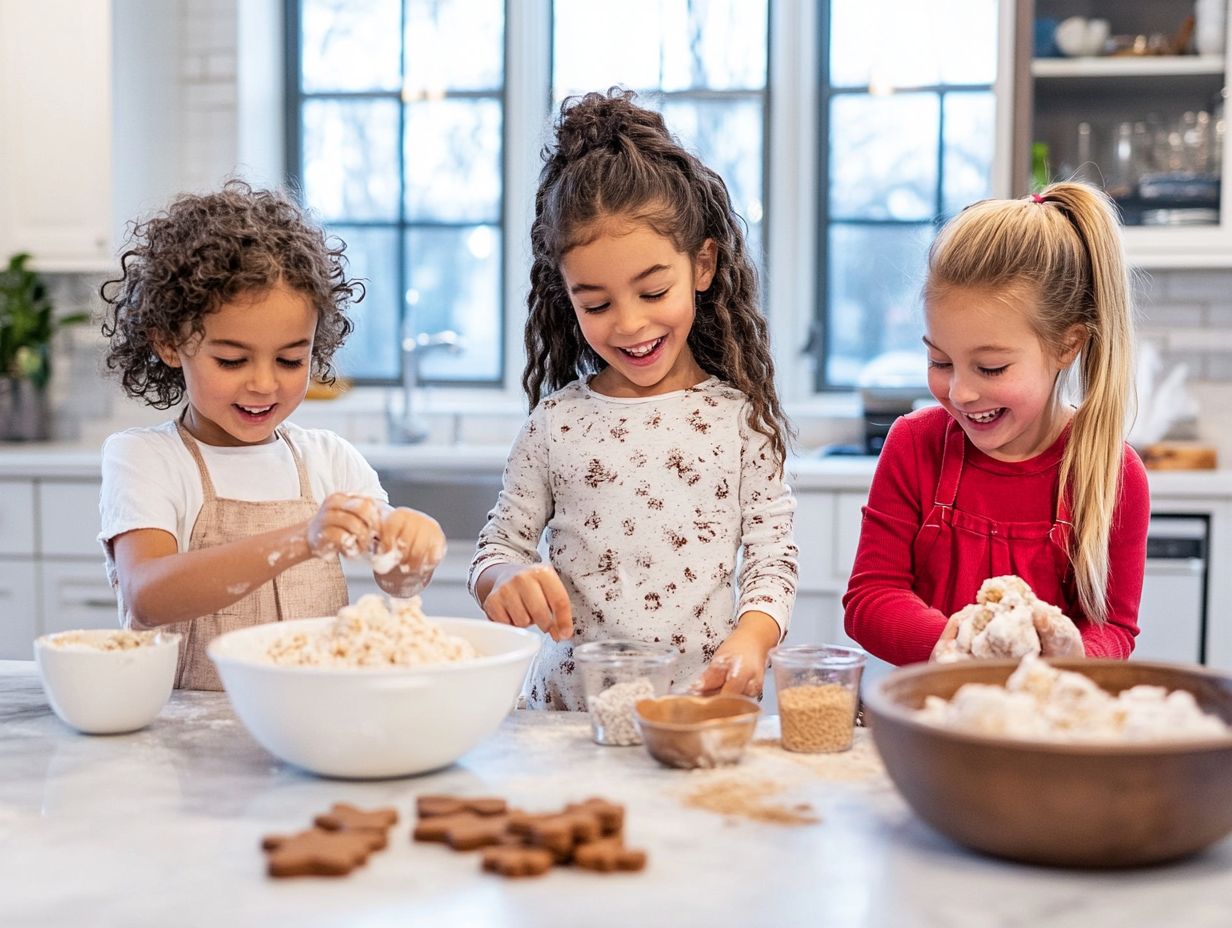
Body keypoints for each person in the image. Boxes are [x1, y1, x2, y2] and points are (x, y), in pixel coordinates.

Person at [469, 89, 798, 709]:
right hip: (567, 721)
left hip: (696, 712)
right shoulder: (555, 423)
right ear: (567, 298)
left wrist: (753, 638)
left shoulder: (738, 421)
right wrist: (503, 579)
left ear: (702, 266)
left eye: (653, 291)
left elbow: (772, 558)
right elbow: (497, 548)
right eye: (596, 303)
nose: (628, 324)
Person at [98, 181, 445, 690]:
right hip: (185, 737)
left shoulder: (330, 460)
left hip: (312, 725)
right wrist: (299, 539)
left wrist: (414, 550)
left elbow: (396, 579)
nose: (263, 383)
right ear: (171, 343)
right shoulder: (147, 459)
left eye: (290, 359)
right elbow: (147, 597)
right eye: (232, 360)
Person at [843, 181, 1149, 665]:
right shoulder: (914, 445)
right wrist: (960, 642)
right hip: (929, 724)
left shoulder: (1112, 472)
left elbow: (1112, 628)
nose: (960, 392)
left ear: (1067, 346)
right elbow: (870, 599)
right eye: (941, 361)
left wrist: (1074, 654)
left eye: (990, 368)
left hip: (1044, 728)